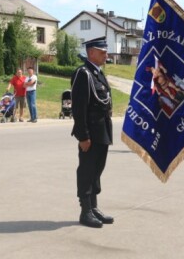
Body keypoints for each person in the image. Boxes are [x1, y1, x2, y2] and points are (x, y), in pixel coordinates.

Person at [71, 36, 113, 228]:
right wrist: (83, 135)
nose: (106, 55)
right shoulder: (83, 74)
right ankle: (85, 210)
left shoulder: (98, 73)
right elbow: (79, 109)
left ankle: (94, 207)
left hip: (102, 130)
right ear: (91, 52)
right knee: (87, 170)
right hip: (90, 133)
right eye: (102, 52)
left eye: (105, 52)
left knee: (97, 169)